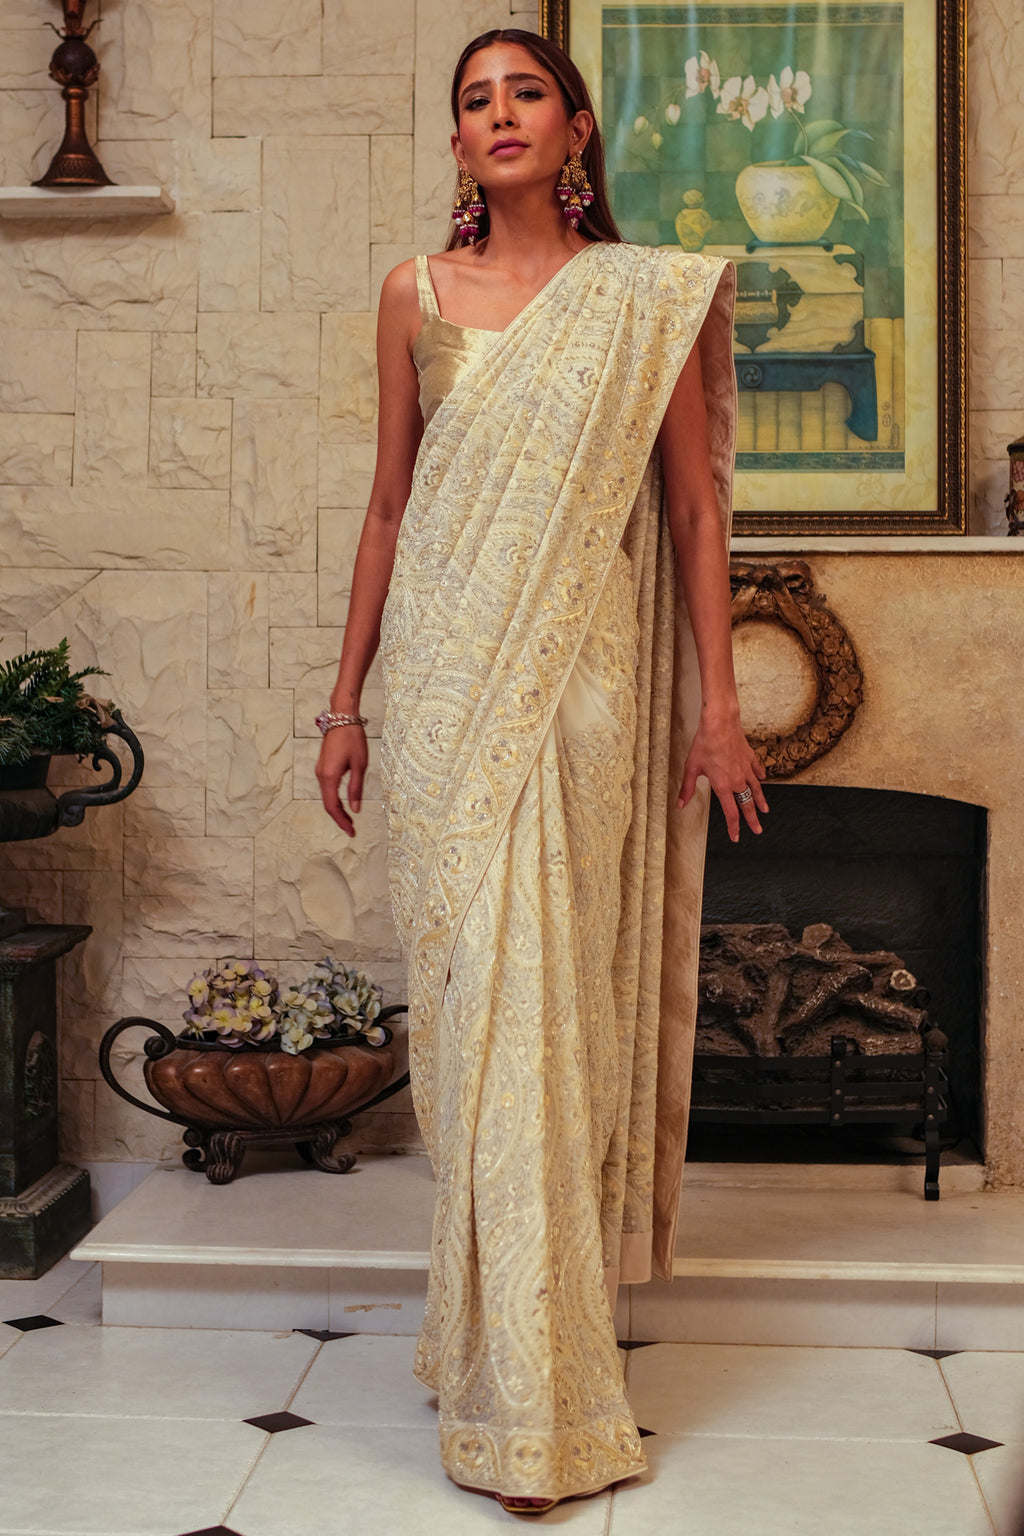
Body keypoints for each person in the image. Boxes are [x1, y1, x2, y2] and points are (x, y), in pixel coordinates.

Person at [316, 27, 767, 1514]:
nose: (499, 114)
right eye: (474, 99)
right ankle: (493, 1342)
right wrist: (344, 704)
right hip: (448, 685)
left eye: (526, 93)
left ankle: (543, 1395)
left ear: (576, 130)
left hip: (582, 692)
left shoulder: (648, 298)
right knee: (472, 1024)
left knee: (547, 1016)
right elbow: (390, 507)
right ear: (457, 142)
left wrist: (719, 707)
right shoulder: (415, 292)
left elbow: (694, 510)